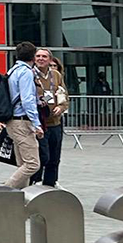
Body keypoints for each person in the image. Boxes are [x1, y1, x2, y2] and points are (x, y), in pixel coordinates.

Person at [4, 42, 45, 189]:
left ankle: (20, 196)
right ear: (33, 57)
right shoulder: (26, 72)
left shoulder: (12, 70)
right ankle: (4, 191)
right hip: (22, 121)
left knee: (22, 164)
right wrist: (36, 124)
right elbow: (27, 100)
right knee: (32, 164)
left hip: (13, 121)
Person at [30, 49, 69, 187]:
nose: (41, 58)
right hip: (39, 123)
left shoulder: (56, 75)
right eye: (38, 56)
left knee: (54, 156)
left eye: (44, 56)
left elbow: (63, 93)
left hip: (56, 122)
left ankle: (51, 183)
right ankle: (36, 181)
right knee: (42, 155)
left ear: (50, 59)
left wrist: (61, 106)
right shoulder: (30, 74)